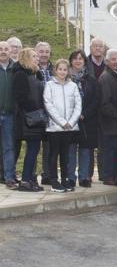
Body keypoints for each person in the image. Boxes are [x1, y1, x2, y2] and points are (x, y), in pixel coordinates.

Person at [43, 59, 82, 192]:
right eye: (60, 69)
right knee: (54, 154)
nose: (62, 72)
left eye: (65, 69)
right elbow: (48, 104)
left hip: (69, 128)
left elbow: (78, 105)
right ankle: (54, 181)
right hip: (54, 127)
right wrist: (62, 122)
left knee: (66, 155)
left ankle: (65, 179)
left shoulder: (73, 86)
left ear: (68, 71)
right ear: (55, 70)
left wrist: (70, 122)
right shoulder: (49, 85)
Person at [67, 50, 101, 189]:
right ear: (71, 61)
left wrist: (84, 114)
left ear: (84, 62)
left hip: (86, 120)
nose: (78, 61)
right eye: (75, 58)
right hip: (69, 120)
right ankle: (70, 177)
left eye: (81, 59)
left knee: (86, 149)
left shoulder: (91, 80)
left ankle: (84, 177)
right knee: (70, 149)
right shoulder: (65, 78)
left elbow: (96, 99)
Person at [13, 48, 45, 192]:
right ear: (26, 58)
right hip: (28, 119)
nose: (37, 58)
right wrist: (36, 110)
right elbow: (21, 98)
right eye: (33, 56)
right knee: (32, 149)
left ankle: (31, 178)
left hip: (36, 117)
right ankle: (26, 180)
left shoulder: (35, 74)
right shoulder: (20, 74)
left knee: (35, 149)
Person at [98, 49, 117, 185]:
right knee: (109, 151)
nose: (116, 62)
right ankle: (107, 176)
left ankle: (114, 175)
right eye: (113, 59)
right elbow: (104, 103)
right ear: (107, 61)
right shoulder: (105, 78)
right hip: (110, 123)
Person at [36, 41, 53, 185]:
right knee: (34, 146)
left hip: (51, 114)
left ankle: (47, 174)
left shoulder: (55, 69)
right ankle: (31, 175)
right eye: (41, 51)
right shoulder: (32, 68)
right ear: (36, 52)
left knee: (49, 146)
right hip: (36, 112)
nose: (44, 54)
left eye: (47, 51)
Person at [0, 41, 17, 188]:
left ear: (11, 51)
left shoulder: (16, 68)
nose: (3, 51)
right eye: (0, 49)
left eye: (6, 49)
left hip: (10, 114)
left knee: (8, 147)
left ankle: (9, 177)